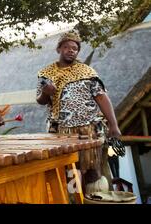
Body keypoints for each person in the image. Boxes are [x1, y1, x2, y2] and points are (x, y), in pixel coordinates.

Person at [36, 31, 121, 192]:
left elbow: (102, 98)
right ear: (59, 49)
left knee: (91, 171)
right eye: (67, 47)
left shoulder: (87, 72)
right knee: (69, 172)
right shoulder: (46, 74)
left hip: (88, 129)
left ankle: (95, 200)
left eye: (75, 48)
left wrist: (114, 125)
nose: (71, 50)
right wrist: (46, 92)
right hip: (60, 130)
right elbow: (41, 101)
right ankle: (74, 200)